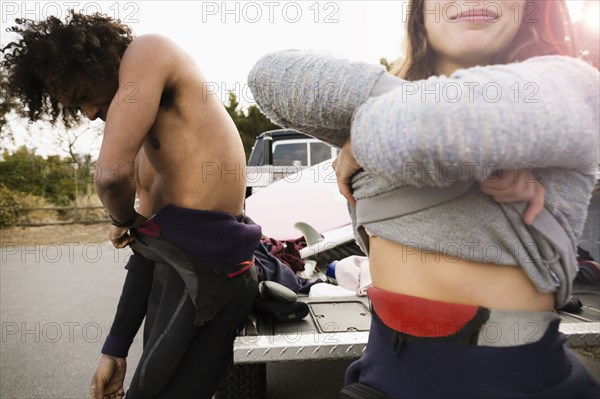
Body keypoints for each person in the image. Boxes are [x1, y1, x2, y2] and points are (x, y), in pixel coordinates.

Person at [248, 0, 600, 397]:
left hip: (518, 384)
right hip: (381, 378)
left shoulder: (572, 88)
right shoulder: (378, 111)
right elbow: (269, 78)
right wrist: (392, 116)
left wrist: (364, 134)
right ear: (420, 11)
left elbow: (414, 131)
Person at [2, 12, 261, 398]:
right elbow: (147, 254)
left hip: (212, 273)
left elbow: (108, 177)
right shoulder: (148, 154)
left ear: (100, 62)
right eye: (76, 107)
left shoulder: (148, 49)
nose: (89, 113)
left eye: (84, 94)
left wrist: (122, 217)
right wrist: (115, 349)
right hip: (178, 273)